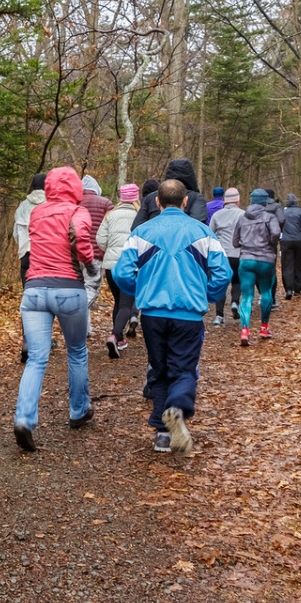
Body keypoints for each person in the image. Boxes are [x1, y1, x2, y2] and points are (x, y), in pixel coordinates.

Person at [113, 179, 231, 454]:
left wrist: (140, 290)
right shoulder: (202, 232)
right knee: (184, 369)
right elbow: (223, 273)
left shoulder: (142, 232)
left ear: (157, 202)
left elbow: (121, 272)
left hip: (153, 313)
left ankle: (162, 434)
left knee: (159, 369)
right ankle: (176, 408)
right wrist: (208, 294)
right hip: (188, 313)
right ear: (185, 201)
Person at [13, 166, 96, 452]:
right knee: (77, 351)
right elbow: (82, 240)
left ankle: (24, 419)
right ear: (74, 187)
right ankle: (78, 411)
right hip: (68, 288)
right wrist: (89, 263)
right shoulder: (77, 211)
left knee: (36, 358)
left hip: (34, 290)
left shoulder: (37, 211)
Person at [232, 188, 281, 346]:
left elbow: (235, 242)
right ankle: (264, 327)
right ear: (265, 202)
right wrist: (269, 244)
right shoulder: (270, 217)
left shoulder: (242, 218)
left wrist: (246, 245)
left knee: (246, 296)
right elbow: (275, 234)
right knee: (266, 292)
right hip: (265, 260)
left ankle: (245, 330)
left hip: (246, 260)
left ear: (252, 201)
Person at [96, 183, 140, 358]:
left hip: (111, 266)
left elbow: (100, 240)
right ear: (136, 198)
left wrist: (110, 248)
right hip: (130, 265)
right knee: (126, 304)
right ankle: (115, 335)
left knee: (118, 302)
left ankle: (120, 339)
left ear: (121, 198)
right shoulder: (140, 216)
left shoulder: (110, 215)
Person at [13, 174, 47, 363]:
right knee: (46, 298)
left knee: (29, 298)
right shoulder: (51, 206)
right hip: (46, 256)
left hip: (26, 255)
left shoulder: (22, 207)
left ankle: (27, 338)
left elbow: (16, 235)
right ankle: (41, 339)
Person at [80, 174, 114, 336]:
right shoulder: (106, 203)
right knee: (91, 288)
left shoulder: (74, 202)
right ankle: (75, 310)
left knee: (80, 288)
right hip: (96, 253)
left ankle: (85, 329)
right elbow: (112, 226)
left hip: (75, 254)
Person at [208, 187, 245, 325]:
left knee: (221, 284)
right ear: (237, 201)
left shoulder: (217, 215)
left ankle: (219, 315)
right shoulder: (243, 214)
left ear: (225, 200)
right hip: (238, 254)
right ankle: (235, 302)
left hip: (222, 255)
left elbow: (210, 233)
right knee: (237, 280)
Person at [280, 194, 301, 299]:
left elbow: (279, 221)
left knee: (287, 264)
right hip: (300, 240)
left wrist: (280, 232)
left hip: (286, 240)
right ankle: (298, 289)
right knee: (298, 263)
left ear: (287, 202)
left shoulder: (282, 212)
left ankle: (289, 289)